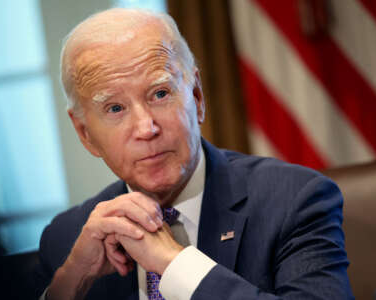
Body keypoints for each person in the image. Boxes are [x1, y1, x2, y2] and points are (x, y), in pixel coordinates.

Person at [34, 8, 354, 300]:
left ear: (197, 98)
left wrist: (174, 264)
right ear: (85, 134)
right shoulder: (65, 240)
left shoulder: (294, 200)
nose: (146, 128)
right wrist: (70, 283)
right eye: (115, 108)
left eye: (160, 93)